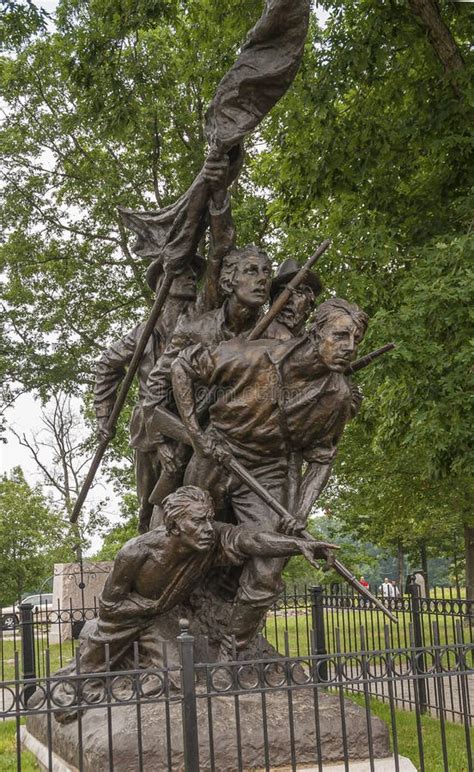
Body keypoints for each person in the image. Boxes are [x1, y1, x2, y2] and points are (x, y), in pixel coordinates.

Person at [169, 297, 368, 652]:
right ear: (315, 332)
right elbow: (183, 366)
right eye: (340, 336)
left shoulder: (337, 396)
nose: (349, 348)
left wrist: (301, 511)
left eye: (355, 340)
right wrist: (197, 437)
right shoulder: (254, 355)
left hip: (269, 469)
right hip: (218, 455)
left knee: (269, 568)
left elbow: (322, 459)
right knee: (184, 541)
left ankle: (233, 650)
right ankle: (163, 618)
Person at [52, 485, 337, 722]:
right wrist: (148, 607)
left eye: (209, 519)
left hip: (161, 619)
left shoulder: (212, 539)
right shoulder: (136, 552)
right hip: (123, 620)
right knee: (81, 683)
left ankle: (136, 678)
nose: (207, 528)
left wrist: (297, 545)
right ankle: (101, 662)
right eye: (198, 521)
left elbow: (254, 540)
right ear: (174, 525)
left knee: (176, 679)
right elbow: (110, 607)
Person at [94, 256, 204, 533]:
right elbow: (107, 365)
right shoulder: (142, 334)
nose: (192, 277)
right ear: (162, 284)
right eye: (184, 272)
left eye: (193, 273)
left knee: (198, 499)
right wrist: (104, 417)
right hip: (149, 429)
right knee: (149, 505)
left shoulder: (203, 326)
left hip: (195, 424)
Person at [270, 257, 322, 338]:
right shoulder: (254, 336)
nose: (288, 299)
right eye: (281, 293)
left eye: (298, 293)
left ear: (309, 306)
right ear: (273, 302)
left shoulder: (316, 345)